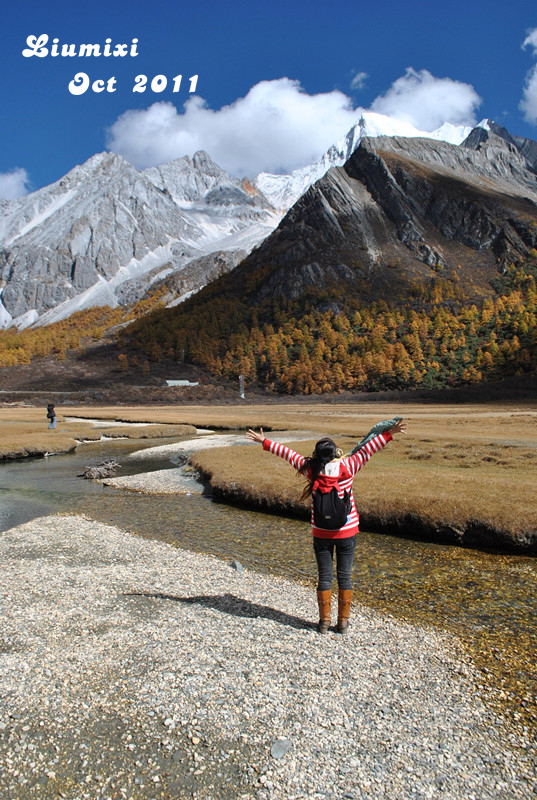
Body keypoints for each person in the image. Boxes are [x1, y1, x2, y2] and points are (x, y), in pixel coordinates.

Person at [246, 420, 407, 634]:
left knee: (324, 576)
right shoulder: (349, 466)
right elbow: (370, 448)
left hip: (321, 532)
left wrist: (264, 441)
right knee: (345, 576)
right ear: (335, 454)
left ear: (316, 455)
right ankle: (342, 623)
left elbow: (287, 453)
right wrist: (389, 433)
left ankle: (323, 623)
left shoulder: (310, 470)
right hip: (347, 531)